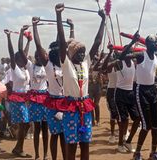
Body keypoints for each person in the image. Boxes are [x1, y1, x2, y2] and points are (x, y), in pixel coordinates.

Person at [55, 3, 105, 160]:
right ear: (71, 54)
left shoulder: (85, 63)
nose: (83, 54)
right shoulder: (66, 64)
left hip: (85, 107)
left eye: (84, 52)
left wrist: (103, 20)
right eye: (79, 52)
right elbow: (62, 43)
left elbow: (97, 42)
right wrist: (58, 16)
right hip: (71, 108)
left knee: (85, 144)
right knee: (71, 144)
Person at [32, 16, 75, 160]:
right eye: (60, 52)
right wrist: (35, 26)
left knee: (65, 135)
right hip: (53, 103)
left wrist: (71, 27)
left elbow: (68, 43)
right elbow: (38, 46)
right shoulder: (48, 66)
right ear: (53, 54)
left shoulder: (67, 64)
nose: (63, 53)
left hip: (67, 103)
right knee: (55, 134)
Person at [4, 25, 32, 158]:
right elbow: (12, 51)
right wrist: (13, 36)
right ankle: (18, 148)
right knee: (25, 124)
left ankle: (18, 147)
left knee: (26, 125)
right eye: (21, 57)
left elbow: (23, 51)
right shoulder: (14, 68)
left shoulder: (25, 68)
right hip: (17, 99)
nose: (24, 58)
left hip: (25, 99)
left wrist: (28, 41)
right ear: (16, 59)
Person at [27, 22, 49, 160]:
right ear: (36, 57)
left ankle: (46, 154)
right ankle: (36, 154)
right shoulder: (31, 67)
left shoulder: (47, 66)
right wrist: (34, 28)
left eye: (44, 55)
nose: (42, 57)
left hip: (45, 99)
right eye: (39, 55)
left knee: (45, 128)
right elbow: (37, 44)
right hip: (35, 99)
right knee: (36, 128)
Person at [101, 46, 118, 144]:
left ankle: (123, 133)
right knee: (113, 114)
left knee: (121, 113)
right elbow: (104, 67)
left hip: (120, 90)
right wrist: (110, 52)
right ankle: (112, 134)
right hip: (111, 91)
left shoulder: (121, 65)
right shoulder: (111, 67)